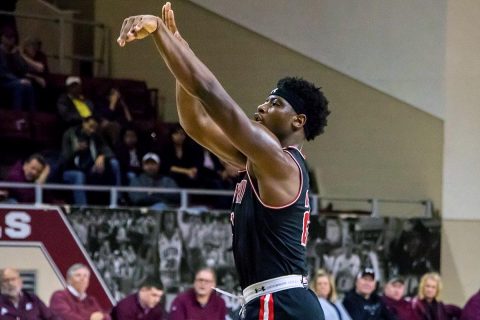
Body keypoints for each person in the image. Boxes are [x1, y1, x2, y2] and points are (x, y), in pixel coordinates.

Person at [117, 3, 330, 319]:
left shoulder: (280, 163)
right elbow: (196, 123)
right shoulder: (259, 160)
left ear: (297, 121)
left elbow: (211, 94)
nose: (261, 107)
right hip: (270, 301)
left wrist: (161, 33)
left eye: (274, 103)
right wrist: (181, 50)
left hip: (281, 303)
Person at [61, 116, 121, 205]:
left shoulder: (95, 135)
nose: (92, 130)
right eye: (90, 126)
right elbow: (64, 159)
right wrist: (75, 150)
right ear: (84, 123)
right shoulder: (70, 134)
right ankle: (83, 209)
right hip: (71, 169)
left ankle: (117, 201)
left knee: (114, 163)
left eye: (95, 128)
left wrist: (102, 156)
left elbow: (108, 151)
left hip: (91, 167)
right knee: (79, 176)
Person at [0, 26, 35, 110]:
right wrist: (18, 80)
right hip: (3, 81)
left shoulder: (15, 52)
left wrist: (18, 56)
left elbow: (24, 69)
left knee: (28, 85)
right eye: (8, 37)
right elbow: (2, 73)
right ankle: (17, 115)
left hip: (15, 80)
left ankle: (32, 115)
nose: (11, 40)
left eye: (12, 37)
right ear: (2, 38)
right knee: (19, 85)